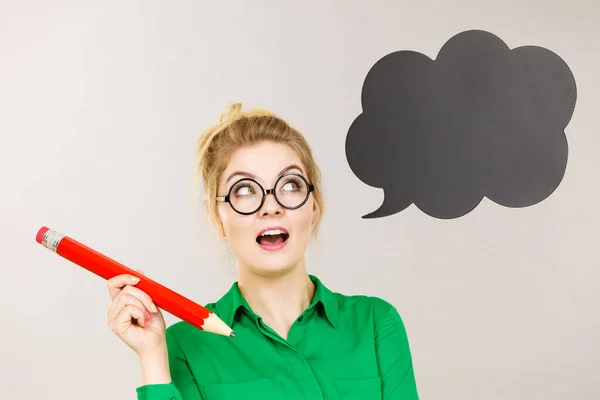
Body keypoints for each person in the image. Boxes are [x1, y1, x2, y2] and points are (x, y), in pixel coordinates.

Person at [105, 103, 420, 399]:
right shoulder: (185, 345)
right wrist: (152, 357)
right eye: (244, 190)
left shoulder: (376, 324)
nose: (271, 206)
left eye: (290, 185)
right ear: (218, 216)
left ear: (314, 204)